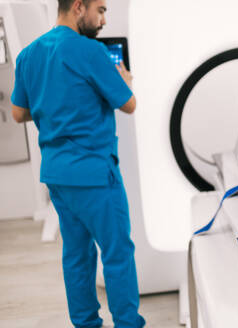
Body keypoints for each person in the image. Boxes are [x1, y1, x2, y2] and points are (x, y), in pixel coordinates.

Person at [11, 0, 145, 327]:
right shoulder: (93, 53)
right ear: (79, 7)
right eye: (100, 10)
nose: (103, 19)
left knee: (77, 257)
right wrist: (125, 78)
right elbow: (128, 104)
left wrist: (50, 106)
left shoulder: (28, 55)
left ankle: (85, 324)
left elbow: (18, 113)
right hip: (95, 174)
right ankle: (128, 324)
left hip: (57, 174)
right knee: (117, 255)